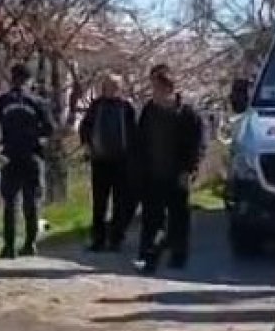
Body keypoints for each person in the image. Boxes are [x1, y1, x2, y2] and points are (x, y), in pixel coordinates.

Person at [133, 64, 205, 273]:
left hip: (177, 173)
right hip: (153, 172)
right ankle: (148, 257)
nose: (154, 92)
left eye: (157, 88)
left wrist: (190, 170)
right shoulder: (149, 111)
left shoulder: (187, 114)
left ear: (168, 89)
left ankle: (178, 254)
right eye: (152, 87)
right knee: (151, 218)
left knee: (178, 217)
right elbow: (140, 141)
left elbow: (197, 144)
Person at [0, 63, 56, 258]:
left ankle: (9, 247)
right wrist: (36, 139)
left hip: (9, 155)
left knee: (10, 203)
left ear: (12, 78)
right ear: (30, 80)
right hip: (32, 155)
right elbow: (50, 128)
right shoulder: (38, 102)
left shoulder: (3, 101)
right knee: (31, 202)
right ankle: (30, 244)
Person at [77, 73, 138, 251]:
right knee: (99, 202)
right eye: (107, 86)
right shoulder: (96, 106)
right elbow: (85, 127)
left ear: (120, 89)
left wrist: (134, 158)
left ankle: (116, 238)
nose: (110, 89)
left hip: (122, 161)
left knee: (120, 202)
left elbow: (134, 132)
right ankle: (98, 239)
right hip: (100, 159)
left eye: (114, 86)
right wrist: (87, 145)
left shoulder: (127, 107)